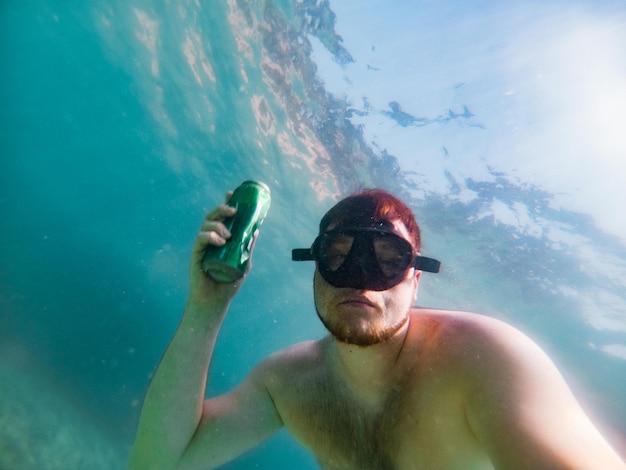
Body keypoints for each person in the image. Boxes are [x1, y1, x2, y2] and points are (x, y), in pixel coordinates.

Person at [129, 188, 625, 470]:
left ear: (415, 280)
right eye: (339, 257)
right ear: (316, 267)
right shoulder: (288, 384)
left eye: (387, 260)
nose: (362, 280)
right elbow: (160, 464)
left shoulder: (483, 361)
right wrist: (206, 307)